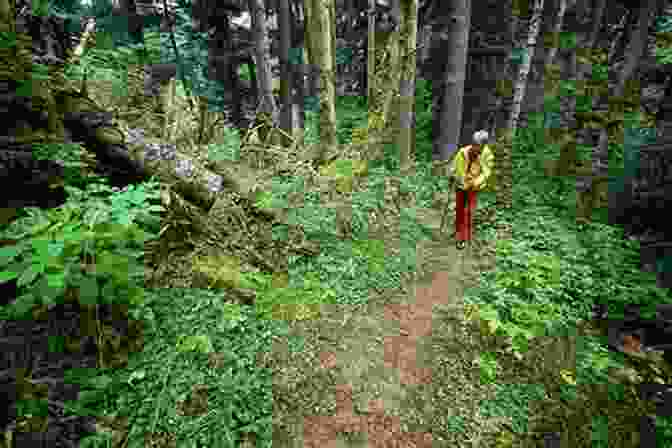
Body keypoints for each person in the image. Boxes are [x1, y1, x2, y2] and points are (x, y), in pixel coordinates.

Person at [450, 130, 494, 250]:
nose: (475, 147)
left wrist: (475, 182)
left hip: (473, 187)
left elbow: (486, 172)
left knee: (468, 211)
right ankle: (458, 231)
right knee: (459, 208)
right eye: (474, 143)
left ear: (483, 145)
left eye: (478, 145)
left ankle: (463, 238)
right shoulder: (462, 152)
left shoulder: (487, 155)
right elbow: (454, 166)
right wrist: (452, 176)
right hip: (461, 184)